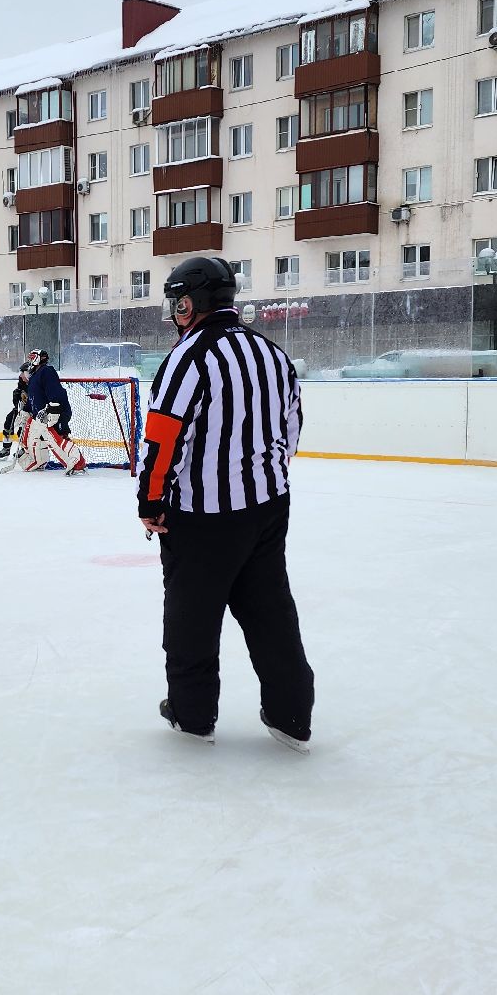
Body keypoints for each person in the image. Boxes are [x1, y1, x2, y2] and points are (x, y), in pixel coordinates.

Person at [137, 256, 312, 753]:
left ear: (191, 303)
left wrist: (150, 501)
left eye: (178, 302)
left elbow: (162, 438)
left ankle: (192, 715)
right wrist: (259, 480)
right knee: (270, 612)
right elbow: (291, 430)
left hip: (202, 518)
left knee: (191, 619)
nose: (175, 312)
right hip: (268, 506)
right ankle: (292, 715)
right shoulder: (271, 353)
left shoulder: (187, 358)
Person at [3, 349, 86, 475]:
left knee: (56, 440)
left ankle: (76, 463)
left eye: (32, 358)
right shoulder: (34, 377)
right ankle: (37, 461)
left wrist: (53, 409)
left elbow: (56, 392)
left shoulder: (46, 371)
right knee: (29, 439)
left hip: (53, 414)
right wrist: (25, 412)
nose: (30, 361)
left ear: (39, 358)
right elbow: (33, 399)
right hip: (39, 417)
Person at [0, 362, 33, 460]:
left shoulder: (35, 383)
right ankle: (6, 448)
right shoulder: (22, 381)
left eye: (23, 372)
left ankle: (24, 449)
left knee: (23, 428)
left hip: (33, 411)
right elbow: (19, 395)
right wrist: (16, 399)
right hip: (21, 409)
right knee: (9, 420)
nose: (21, 375)